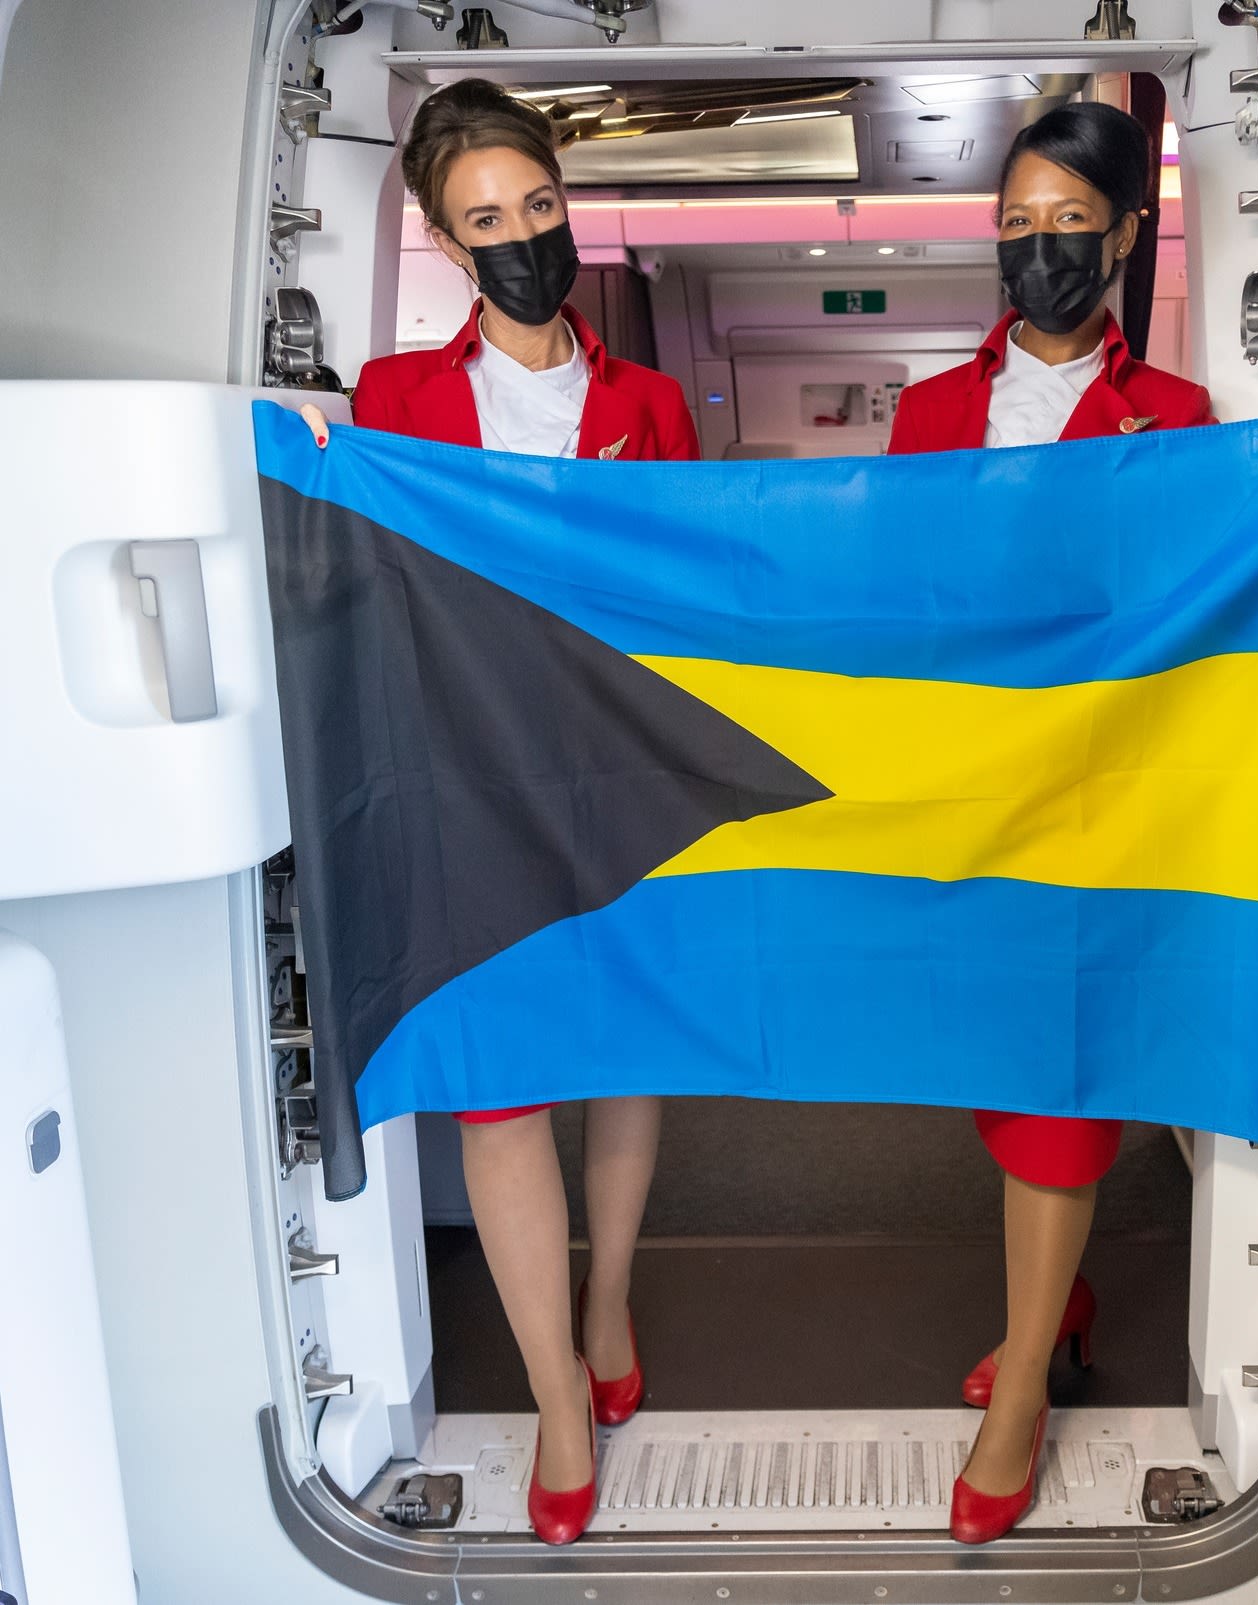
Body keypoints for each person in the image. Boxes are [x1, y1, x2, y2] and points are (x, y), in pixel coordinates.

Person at [887, 100, 1258, 1545]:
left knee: (1060, 1091)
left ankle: (1022, 1376)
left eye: (1065, 227)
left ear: (1124, 237)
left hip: (1102, 804)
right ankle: (1063, 1296)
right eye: (1014, 228)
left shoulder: (1178, 422)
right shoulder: (923, 414)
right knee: (999, 1079)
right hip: (968, 800)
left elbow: (1248, 561)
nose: (1037, 252)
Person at [300, 77, 698, 1545]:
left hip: (622, 775)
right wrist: (306, 457)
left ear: (565, 209)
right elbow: (351, 566)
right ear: (443, 240)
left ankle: (604, 1301)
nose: (524, 238)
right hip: (465, 780)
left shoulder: (648, 403)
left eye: (539, 207)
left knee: (620, 1055)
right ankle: (553, 1389)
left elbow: (690, 593)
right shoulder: (395, 401)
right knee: (502, 1084)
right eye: (488, 221)